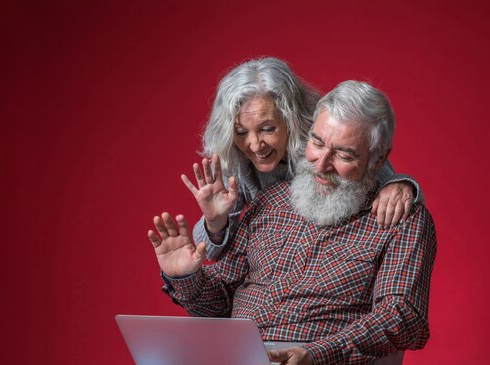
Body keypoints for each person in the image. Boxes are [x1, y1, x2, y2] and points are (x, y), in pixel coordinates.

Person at [99, 80, 437, 365]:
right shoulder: (270, 201)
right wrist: (187, 276)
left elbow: (404, 317)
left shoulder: (402, 220)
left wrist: (315, 359)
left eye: (344, 154)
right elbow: (218, 305)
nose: (321, 164)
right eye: (317, 143)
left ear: (378, 159)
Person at [182, 57, 425, 260]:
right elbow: (209, 253)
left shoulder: (323, 140)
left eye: (267, 129)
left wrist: (402, 185)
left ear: (292, 119)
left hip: (334, 259)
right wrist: (214, 223)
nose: (255, 145)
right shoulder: (238, 163)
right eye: (241, 132)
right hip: (280, 266)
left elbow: (385, 176)